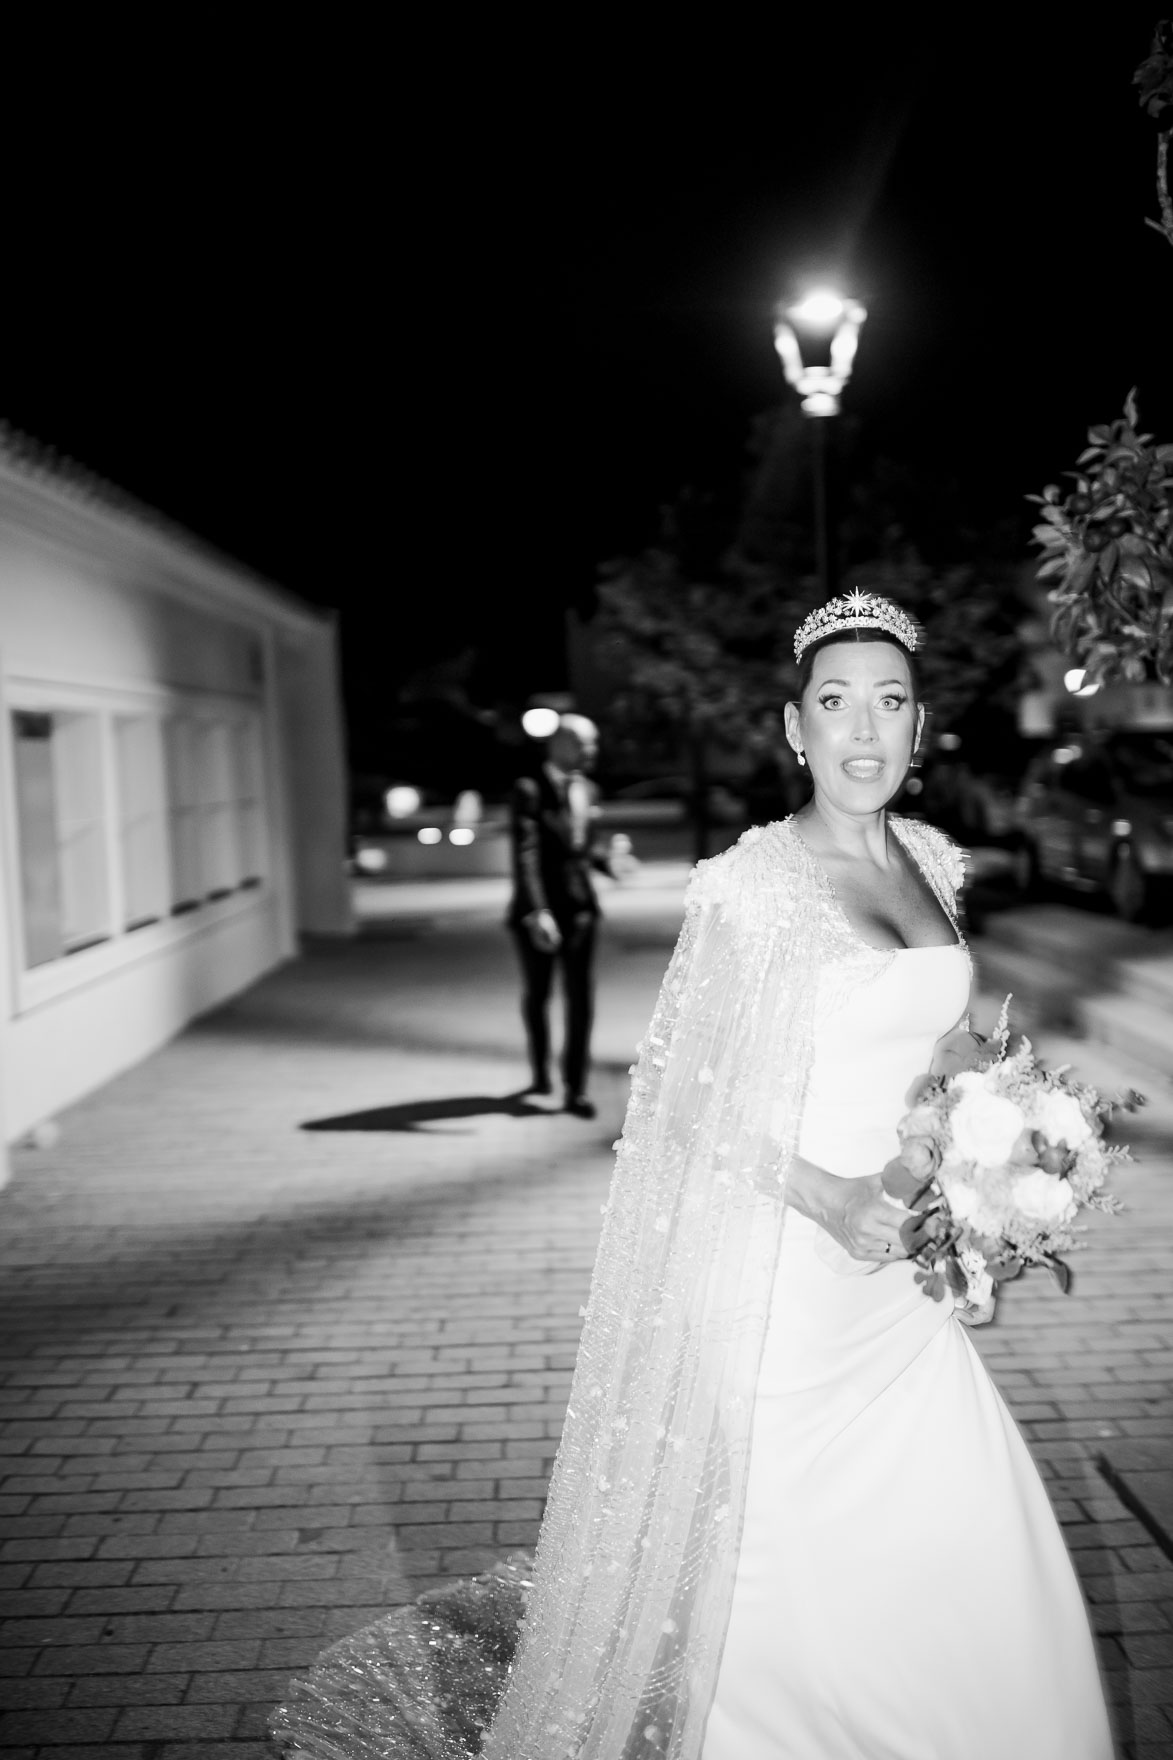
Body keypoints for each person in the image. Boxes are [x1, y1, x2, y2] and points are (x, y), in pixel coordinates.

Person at [271, 593, 1113, 1760]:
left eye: (890, 700)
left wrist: (973, 1140)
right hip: (777, 1270)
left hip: (895, 1279)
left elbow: (930, 1045)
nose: (863, 729)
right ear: (793, 726)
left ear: (920, 726)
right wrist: (827, 1195)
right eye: (835, 702)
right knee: (790, 1549)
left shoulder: (932, 858)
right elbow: (680, 1100)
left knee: (957, 1513)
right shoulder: (749, 884)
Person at [506, 713, 626, 1119]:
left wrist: (608, 864)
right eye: (583, 744)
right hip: (537, 912)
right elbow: (527, 853)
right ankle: (540, 1072)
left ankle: (575, 1087)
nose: (591, 752)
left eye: (593, 744)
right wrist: (537, 910)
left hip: (580, 910)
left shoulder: (587, 789)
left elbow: (579, 848)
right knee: (538, 994)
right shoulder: (529, 790)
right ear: (558, 744)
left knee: (580, 999)